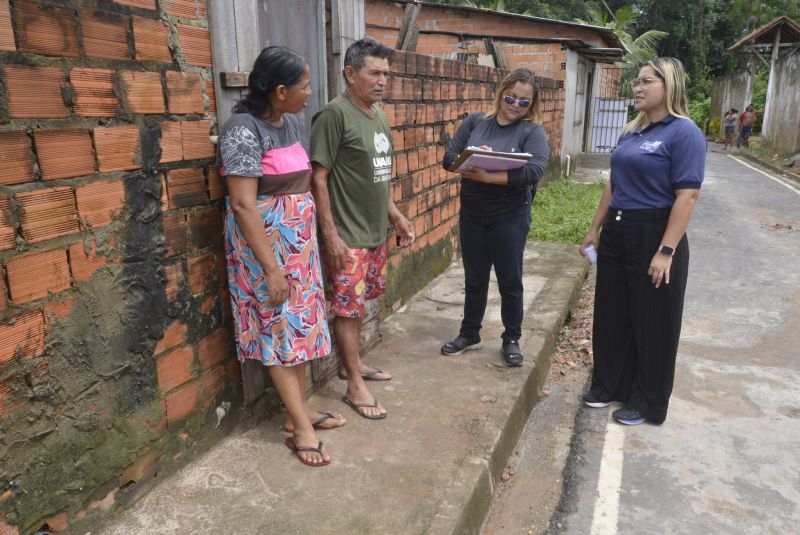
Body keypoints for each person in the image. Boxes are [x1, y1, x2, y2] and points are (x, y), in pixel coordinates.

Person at [218, 46, 343, 466]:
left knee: (301, 330)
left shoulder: (289, 122)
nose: (310, 92)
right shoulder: (241, 129)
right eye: (305, 86)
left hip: (299, 253)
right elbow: (243, 204)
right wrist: (271, 268)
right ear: (281, 89)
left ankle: (298, 412)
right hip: (265, 254)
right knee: (276, 332)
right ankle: (301, 429)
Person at [579, 57, 706, 426]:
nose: (638, 87)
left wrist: (666, 250)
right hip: (618, 230)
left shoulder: (683, 133)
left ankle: (647, 400)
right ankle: (608, 386)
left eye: (647, 81)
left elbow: (687, 197)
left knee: (652, 320)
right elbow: (612, 184)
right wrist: (594, 229)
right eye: (636, 81)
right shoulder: (630, 132)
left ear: (669, 86)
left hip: (655, 231)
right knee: (612, 313)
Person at [310, 38, 415, 420]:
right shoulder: (333, 115)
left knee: (359, 306)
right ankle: (354, 384)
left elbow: (378, 178)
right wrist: (331, 234)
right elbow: (317, 179)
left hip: (374, 233)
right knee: (348, 310)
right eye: (375, 72)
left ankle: (350, 365)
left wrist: (396, 216)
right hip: (348, 237)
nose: (383, 80)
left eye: (386, 73)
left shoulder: (379, 115)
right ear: (350, 73)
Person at [440, 68, 550, 367]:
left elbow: (535, 170)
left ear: (532, 105)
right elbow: (449, 158)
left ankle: (511, 337)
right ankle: (470, 333)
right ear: (501, 93)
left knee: (509, 279)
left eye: (523, 102)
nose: (515, 105)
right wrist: (472, 157)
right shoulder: (476, 122)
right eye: (511, 97)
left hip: (510, 215)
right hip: (473, 213)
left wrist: (491, 176)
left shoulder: (531, 131)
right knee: (474, 277)